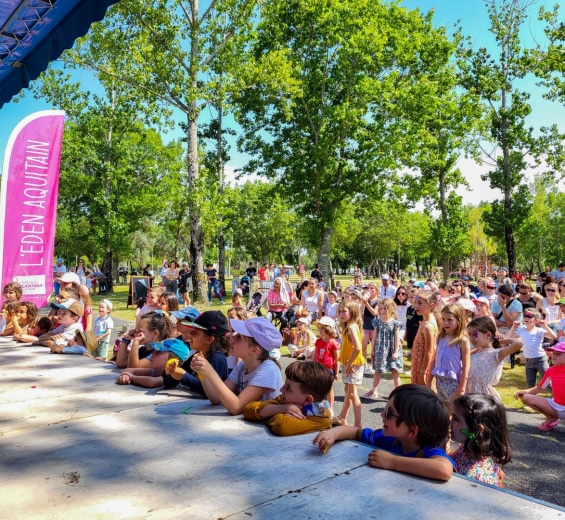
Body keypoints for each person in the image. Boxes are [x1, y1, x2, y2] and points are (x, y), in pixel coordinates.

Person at [314, 384, 454, 481]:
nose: (382, 415)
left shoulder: (429, 452)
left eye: (389, 412)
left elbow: (444, 469)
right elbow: (353, 431)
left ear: (412, 431)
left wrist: (392, 462)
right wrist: (332, 434)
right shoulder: (387, 438)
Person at [190, 317, 283, 415]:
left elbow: (236, 407)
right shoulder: (242, 365)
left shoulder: (268, 370)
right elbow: (216, 398)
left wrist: (211, 372)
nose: (232, 338)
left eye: (239, 337)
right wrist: (203, 374)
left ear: (254, 351)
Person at [243, 361, 333, 436]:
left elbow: (280, 425)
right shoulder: (285, 402)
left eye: (288, 388)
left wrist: (269, 411)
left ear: (307, 400)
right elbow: (248, 409)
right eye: (284, 385)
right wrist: (282, 408)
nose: (281, 390)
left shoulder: (321, 417)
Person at [449, 394, 512, 487]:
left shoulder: (475, 477)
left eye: (456, 419)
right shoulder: (469, 446)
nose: (450, 422)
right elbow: (448, 460)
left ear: (476, 430)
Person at [163, 311, 229, 396]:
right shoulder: (198, 355)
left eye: (195, 332)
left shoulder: (217, 358)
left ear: (209, 340)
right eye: (191, 330)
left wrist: (184, 376)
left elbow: (212, 393)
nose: (190, 334)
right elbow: (168, 383)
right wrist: (169, 371)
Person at [466, 317, 523, 400]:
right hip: (472, 394)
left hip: (484, 397)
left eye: (474, 334)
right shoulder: (479, 352)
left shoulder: (496, 354)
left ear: (488, 335)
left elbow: (518, 343)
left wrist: (504, 340)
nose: (471, 338)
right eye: (469, 335)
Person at [515, 341, 565, 431]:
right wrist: (525, 391)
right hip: (556, 406)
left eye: (558, 354)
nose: (554, 356)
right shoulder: (550, 371)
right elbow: (540, 388)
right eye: (553, 353)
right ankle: (551, 417)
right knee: (525, 397)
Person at [428, 303, 471, 402]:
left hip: (454, 383)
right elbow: (435, 359)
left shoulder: (462, 340)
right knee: (443, 409)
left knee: (454, 409)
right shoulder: (441, 337)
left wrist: (462, 387)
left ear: (459, 320)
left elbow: (466, 366)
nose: (445, 323)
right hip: (440, 380)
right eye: (443, 319)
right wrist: (429, 380)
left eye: (450, 320)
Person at [332, 300, 364, 428]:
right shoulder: (349, 325)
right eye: (340, 311)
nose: (341, 314)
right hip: (349, 362)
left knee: (352, 393)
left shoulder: (351, 326)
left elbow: (357, 348)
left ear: (353, 312)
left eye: (344, 311)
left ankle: (358, 424)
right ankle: (342, 417)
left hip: (353, 363)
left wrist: (350, 363)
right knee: (347, 391)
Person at [363, 299, 403, 399]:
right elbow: (375, 336)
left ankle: (398, 393)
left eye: (384, 308)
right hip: (380, 348)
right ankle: (374, 390)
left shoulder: (395, 323)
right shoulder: (377, 322)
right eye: (380, 308)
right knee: (378, 370)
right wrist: (372, 350)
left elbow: (397, 338)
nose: (382, 310)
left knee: (394, 370)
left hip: (392, 348)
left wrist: (396, 352)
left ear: (390, 309)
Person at [507, 309, 556, 388]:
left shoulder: (539, 331)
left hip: (540, 359)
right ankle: (532, 399)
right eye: (525, 316)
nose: (526, 318)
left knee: (548, 382)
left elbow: (554, 336)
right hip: (528, 360)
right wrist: (514, 327)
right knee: (530, 384)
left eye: (529, 317)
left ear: (536, 320)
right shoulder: (521, 331)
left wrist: (545, 325)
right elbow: (509, 339)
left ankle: (557, 397)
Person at [117, 338, 190, 387]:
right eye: (154, 351)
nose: (152, 354)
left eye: (158, 352)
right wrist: (126, 375)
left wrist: (132, 377)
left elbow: (151, 382)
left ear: (173, 360)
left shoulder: (173, 373)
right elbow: (128, 370)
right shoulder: (156, 371)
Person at [411, 292, 439, 387]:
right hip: (418, 363)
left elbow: (429, 352)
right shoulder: (424, 322)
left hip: (423, 366)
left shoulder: (428, 326)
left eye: (420, 303)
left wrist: (423, 372)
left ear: (431, 305)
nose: (416, 306)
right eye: (415, 302)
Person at [314, 316, 340, 411]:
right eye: (319, 327)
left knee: (329, 389)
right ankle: (318, 405)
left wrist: (336, 372)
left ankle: (330, 407)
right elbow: (315, 354)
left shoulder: (333, 343)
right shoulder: (318, 341)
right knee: (317, 388)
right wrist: (312, 365)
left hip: (328, 369)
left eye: (322, 328)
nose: (319, 330)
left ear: (328, 329)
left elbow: (337, 359)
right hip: (318, 368)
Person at [359, 282, 380, 375]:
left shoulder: (378, 301)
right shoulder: (365, 299)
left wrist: (366, 303)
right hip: (365, 326)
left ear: (376, 290)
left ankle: (372, 365)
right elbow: (361, 311)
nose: (370, 290)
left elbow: (374, 313)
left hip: (374, 327)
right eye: (368, 288)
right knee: (363, 346)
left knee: (373, 347)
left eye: (372, 288)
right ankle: (364, 364)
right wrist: (363, 302)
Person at [404, 287, 422, 356]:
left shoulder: (419, 309)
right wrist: (406, 333)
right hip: (410, 330)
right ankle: (411, 351)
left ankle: (415, 353)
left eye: (412, 297)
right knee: (410, 343)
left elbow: (420, 323)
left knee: (416, 345)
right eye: (409, 297)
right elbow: (407, 321)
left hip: (416, 331)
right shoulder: (409, 308)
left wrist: (419, 334)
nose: (409, 299)